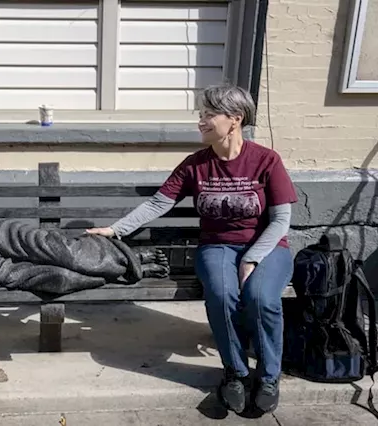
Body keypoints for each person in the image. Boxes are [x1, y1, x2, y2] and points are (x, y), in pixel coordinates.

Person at [87, 83, 297, 414]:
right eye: (200, 115)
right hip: (217, 247)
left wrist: (253, 258)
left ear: (235, 119)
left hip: (268, 246)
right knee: (221, 293)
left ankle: (269, 376)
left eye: (208, 115)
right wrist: (115, 230)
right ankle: (236, 373)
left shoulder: (266, 161)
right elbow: (159, 203)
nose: (201, 122)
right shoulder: (195, 165)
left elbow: (281, 220)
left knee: (261, 297)